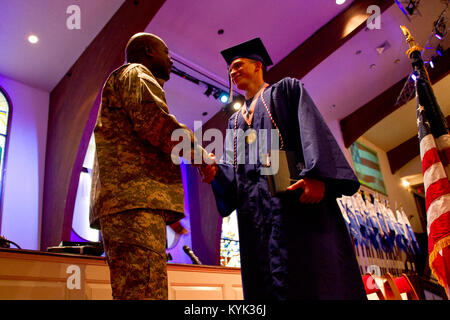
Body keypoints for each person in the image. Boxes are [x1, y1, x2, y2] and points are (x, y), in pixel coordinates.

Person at [202, 38, 367, 300]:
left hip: (295, 206)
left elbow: (312, 131)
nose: (232, 72)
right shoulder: (234, 122)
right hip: (255, 219)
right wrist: (216, 173)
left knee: (309, 281)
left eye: (237, 65)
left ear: (258, 66)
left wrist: (317, 177)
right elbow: (234, 174)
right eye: (230, 70)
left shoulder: (286, 91)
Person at [89, 32, 210, 300]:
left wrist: (171, 217)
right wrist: (200, 156)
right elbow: (156, 122)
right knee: (145, 293)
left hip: (130, 205)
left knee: (136, 291)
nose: (170, 60)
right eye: (166, 52)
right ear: (148, 51)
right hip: (134, 207)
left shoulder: (125, 81)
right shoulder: (136, 73)